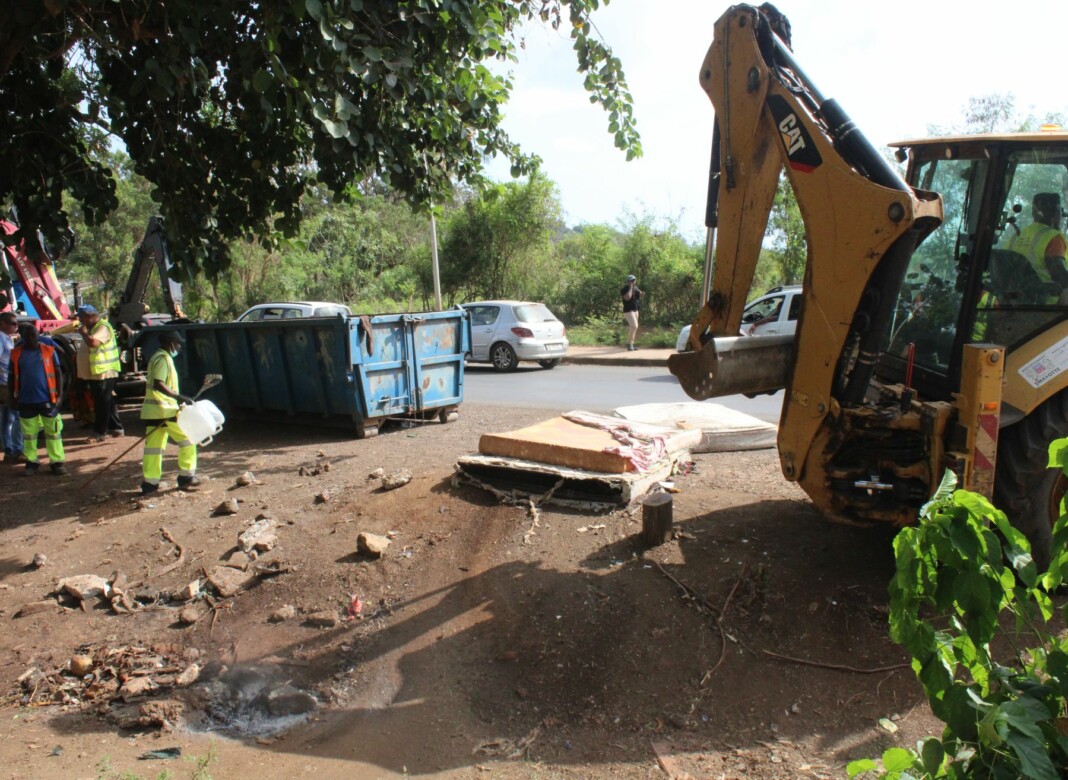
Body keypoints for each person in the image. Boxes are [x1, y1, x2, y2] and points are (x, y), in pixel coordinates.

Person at [140, 330, 198, 495]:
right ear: (171, 342)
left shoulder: (156, 357)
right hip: (164, 410)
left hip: (153, 411)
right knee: (188, 439)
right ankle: (186, 477)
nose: (179, 347)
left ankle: (150, 484)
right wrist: (180, 397)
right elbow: (159, 384)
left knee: (154, 448)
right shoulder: (163, 359)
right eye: (177, 343)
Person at [7, 323, 67, 475]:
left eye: (33, 335)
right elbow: (11, 376)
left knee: (53, 432)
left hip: (48, 399)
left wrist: (60, 395)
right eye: (28, 336)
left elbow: (58, 372)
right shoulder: (16, 354)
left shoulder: (48, 351)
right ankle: (31, 461)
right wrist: (11, 397)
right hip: (26, 400)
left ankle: (57, 462)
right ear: (22, 337)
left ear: (38, 334)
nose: (31, 338)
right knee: (29, 435)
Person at [1006, 192, 1068, 302]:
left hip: (1013, 303)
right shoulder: (1053, 237)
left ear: (1033, 213)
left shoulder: (1016, 236)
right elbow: (1059, 275)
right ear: (1057, 212)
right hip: (1045, 307)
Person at [76, 304, 123, 442]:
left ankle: (100, 432)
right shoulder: (93, 328)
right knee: (108, 401)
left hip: (104, 371)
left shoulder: (103, 327)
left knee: (101, 402)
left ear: (90, 316)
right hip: (97, 372)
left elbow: (93, 343)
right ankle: (116, 428)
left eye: (81, 318)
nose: (80, 321)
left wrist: (83, 333)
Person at [0, 311, 24, 461]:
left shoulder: (7, 338)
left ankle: (9, 449)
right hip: (4, 383)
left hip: (6, 382)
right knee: (16, 417)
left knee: (7, 417)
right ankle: (16, 449)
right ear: (2, 323)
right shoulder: (1, 339)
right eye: (13, 323)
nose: (16, 326)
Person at [620, 274, 642, 351]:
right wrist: (630, 287)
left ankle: (631, 344)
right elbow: (628, 298)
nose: (633, 282)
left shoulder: (636, 287)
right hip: (628, 311)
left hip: (636, 310)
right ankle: (629, 343)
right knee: (634, 326)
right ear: (628, 281)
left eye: (633, 280)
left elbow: (637, 297)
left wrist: (640, 293)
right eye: (631, 280)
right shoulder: (624, 289)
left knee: (634, 327)